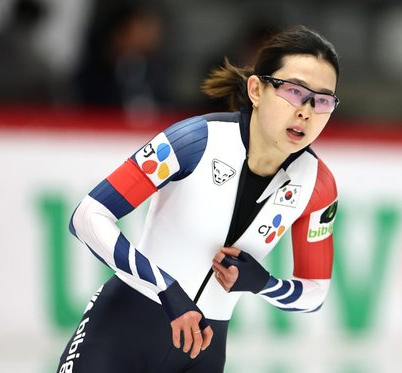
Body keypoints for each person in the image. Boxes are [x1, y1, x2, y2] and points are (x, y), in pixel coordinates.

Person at [57, 25, 340, 373]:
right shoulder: (194, 141)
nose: (307, 111)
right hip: (120, 333)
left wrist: (265, 284)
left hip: (202, 354)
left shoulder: (318, 186)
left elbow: (316, 293)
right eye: (295, 92)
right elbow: (87, 216)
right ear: (256, 89)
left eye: (323, 100)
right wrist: (165, 288)